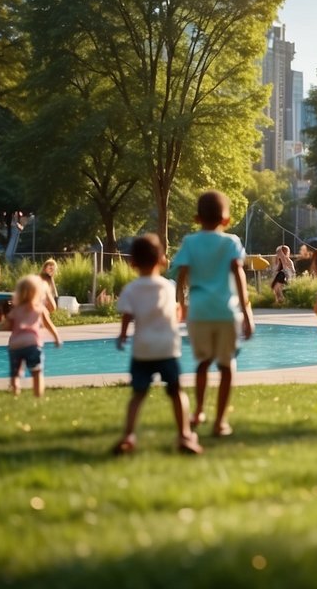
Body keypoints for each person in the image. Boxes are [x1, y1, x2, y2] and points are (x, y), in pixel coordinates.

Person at [173, 190, 255, 438]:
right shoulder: (231, 242)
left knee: (203, 363)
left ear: (197, 218)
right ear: (226, 220)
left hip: (198, 312)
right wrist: (247, 311)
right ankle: (220, 421)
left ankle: (198, 410)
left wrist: (180, 304)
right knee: (227, 365)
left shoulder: (189, 242)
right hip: (226, 312)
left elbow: (181, 275)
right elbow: (239, 276)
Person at [113, 234, 202, 455]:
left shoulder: (131, 289)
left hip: (142, 351)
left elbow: (127, 315)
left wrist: (123, 335)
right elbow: (175, 313)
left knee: (138, 394)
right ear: (162, 260)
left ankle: (128, 436)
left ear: (132, 262)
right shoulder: (167, 287)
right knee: (176, 392)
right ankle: (184, 435)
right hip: (166, 349)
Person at [6, 275, 63, 397]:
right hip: (32, 343)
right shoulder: (39, 308)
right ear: (38, 292)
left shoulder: (16, 310)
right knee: (36, 372)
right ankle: (38, 396)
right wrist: (56, 338)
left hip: (15, 344)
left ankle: (15, 393)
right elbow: (49, 325)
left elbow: (7, 326)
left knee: (15, 373)